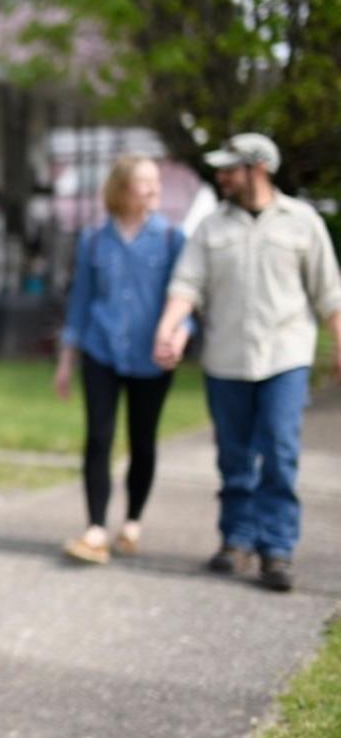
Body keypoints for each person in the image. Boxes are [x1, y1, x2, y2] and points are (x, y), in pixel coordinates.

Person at [153, 132, 341, 592]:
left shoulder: (302, 222)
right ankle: (236, 538)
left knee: (279, 450)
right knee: (234, 456)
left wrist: (339, 342)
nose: (221, 176)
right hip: (226, 358)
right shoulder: (211, 228)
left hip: (285, 357)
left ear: (258, 168)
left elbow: (329, 292)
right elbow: (187, 285)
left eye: (229, 168)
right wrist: (168, 328)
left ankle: (276, 549)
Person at [55, 155, 188, 564]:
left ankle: (131, 521)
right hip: (101, 351)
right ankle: (95, 527)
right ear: (121, 189)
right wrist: (65, 361)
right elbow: (79, 303)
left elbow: (186, 300)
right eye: (143, 183)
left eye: (156, 183)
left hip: (151, 358)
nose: (153, 190)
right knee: (98, 437)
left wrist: (182, 336)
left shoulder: (171, 239)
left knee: (142, 440)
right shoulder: (94, 239)